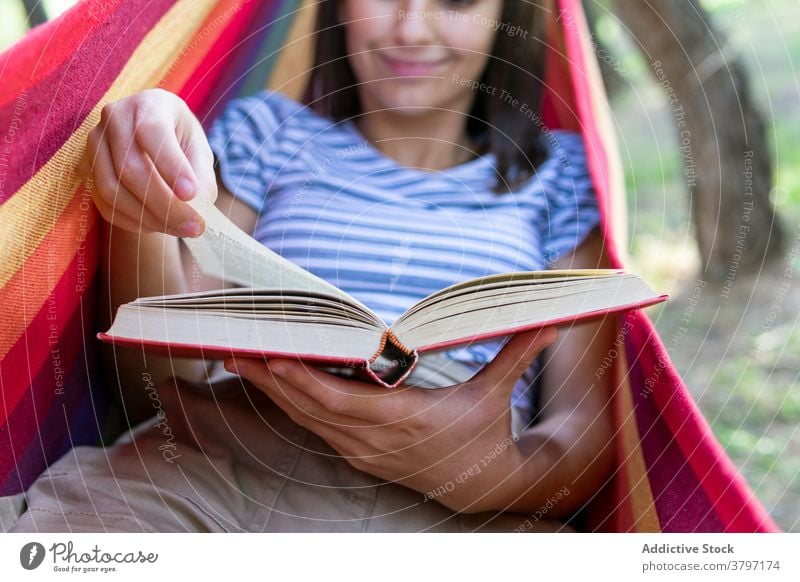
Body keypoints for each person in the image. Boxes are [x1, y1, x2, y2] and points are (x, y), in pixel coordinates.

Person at [11, 0, 616, 532]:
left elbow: (580, 438)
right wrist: (142, 198)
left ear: (507, 15)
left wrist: (492, 476)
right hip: (213, 472)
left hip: (454, 517)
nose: (411, 28)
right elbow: (165, 383)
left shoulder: (559, 180)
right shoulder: (266, 131)